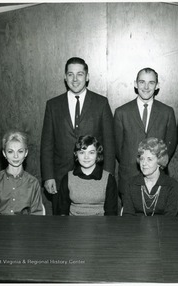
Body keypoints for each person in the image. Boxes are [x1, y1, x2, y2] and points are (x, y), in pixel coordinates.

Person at [41, 57, 115, 214]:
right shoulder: (53, 105)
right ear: (65, 77)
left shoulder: (101, 103)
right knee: (61, 229)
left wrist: (107, 178)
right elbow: (47, 144)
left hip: (94, 178)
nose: (75, 79)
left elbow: (109, 143)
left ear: (87, 77)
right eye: (70, 74)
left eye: (80, 74)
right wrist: (48, 176)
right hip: (60, 179)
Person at [114, 67, 177, 200]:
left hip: (158, 178)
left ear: (157, 85)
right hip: (129, 177)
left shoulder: (167, 112)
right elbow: (118, 148)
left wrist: (156, 165)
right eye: (142, 82)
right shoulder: (121, 112)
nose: (146, 87)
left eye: (151, 82)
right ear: (135, 84)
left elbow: (169, 147)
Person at [0, 130, 44, 215]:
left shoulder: (33, 183)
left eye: (20, 151)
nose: (16, 156)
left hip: (25, 227)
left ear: (26, 153)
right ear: (4, 153)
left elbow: (37, 216)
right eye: (10, 151)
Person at [57, 135, 118, 216]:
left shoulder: (108, 179)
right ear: (76, 154)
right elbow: (62, 211)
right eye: (82, 152)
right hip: (72, 225)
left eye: (91, 152)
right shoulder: (68, 178)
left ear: (97, 154)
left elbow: (111, 213)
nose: (86, 157)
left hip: (100, 225)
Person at [123, 137, 178, 216]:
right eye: (142, 159)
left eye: (149, 159)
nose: (144, 163)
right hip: (135, 228)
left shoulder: (172, 186)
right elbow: (128, 217)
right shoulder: (130, 184)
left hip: (163, 228)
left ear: (159, 160)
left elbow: (170, 221)